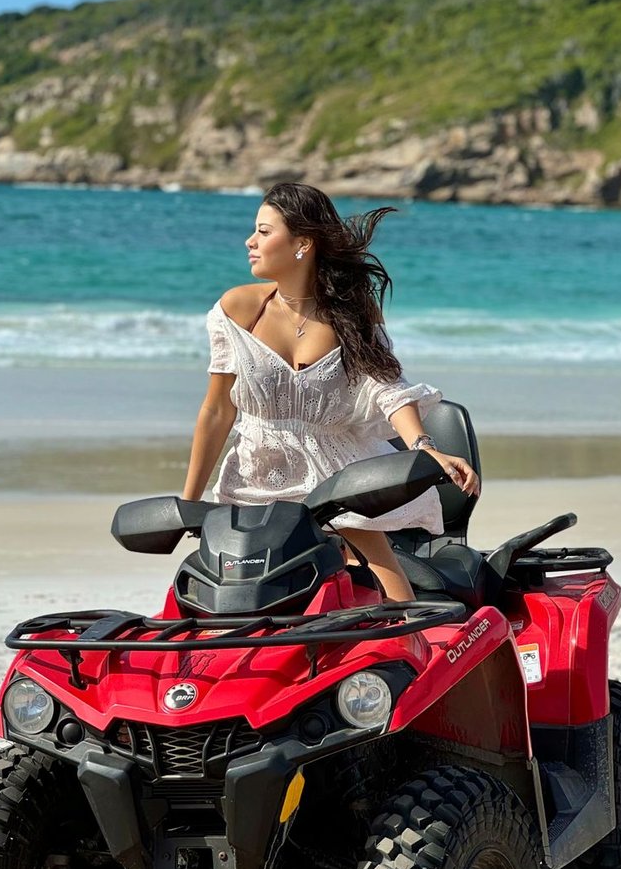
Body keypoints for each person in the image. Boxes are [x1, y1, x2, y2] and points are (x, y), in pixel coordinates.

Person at [182, 183, 480, 602]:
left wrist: (424, 446)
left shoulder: (352, 313)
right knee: (231, 601)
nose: (250, 241)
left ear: (302, 244)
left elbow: (387, 388)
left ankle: (409, 637)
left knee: (392, 600)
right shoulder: (238, 309)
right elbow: (217, 411)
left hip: (335, 478)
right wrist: (190, 502)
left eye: (264, 232)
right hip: (253, 479)